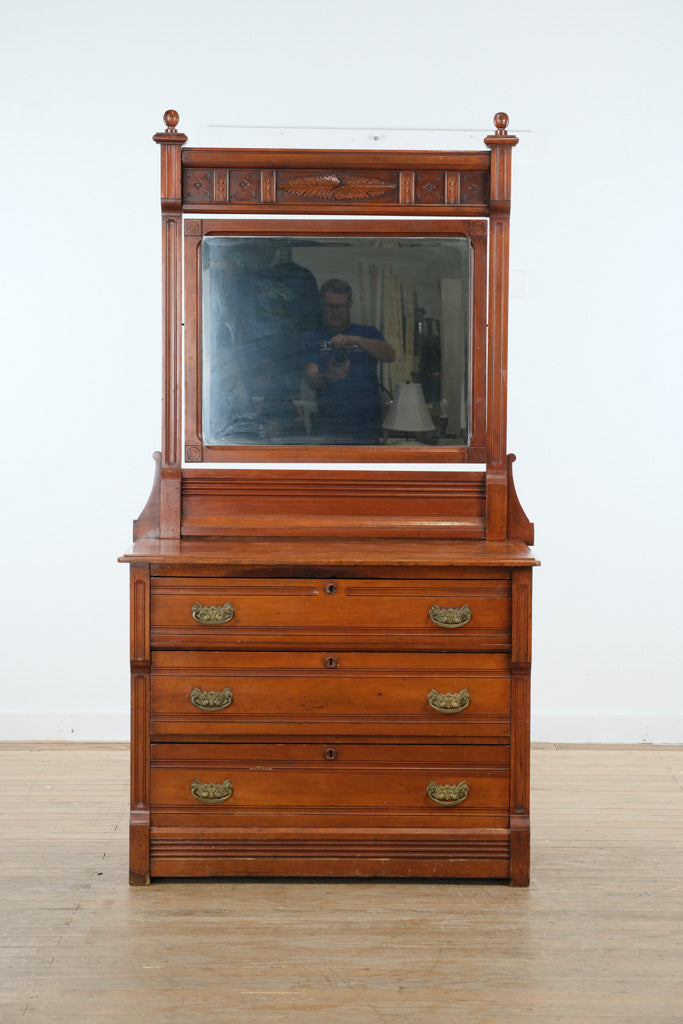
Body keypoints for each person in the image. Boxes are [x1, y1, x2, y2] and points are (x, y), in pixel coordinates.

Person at [301, 279, 395, 442]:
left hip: (367, 427)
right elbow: (311, 378)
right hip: (329, 427)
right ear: (322, 305)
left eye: (341, 306)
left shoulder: (368, 333)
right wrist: (330, 376)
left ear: (350, 304)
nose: (335, 312)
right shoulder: (312, 338)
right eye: (329, 306)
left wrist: (356, 340)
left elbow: (390, 355)